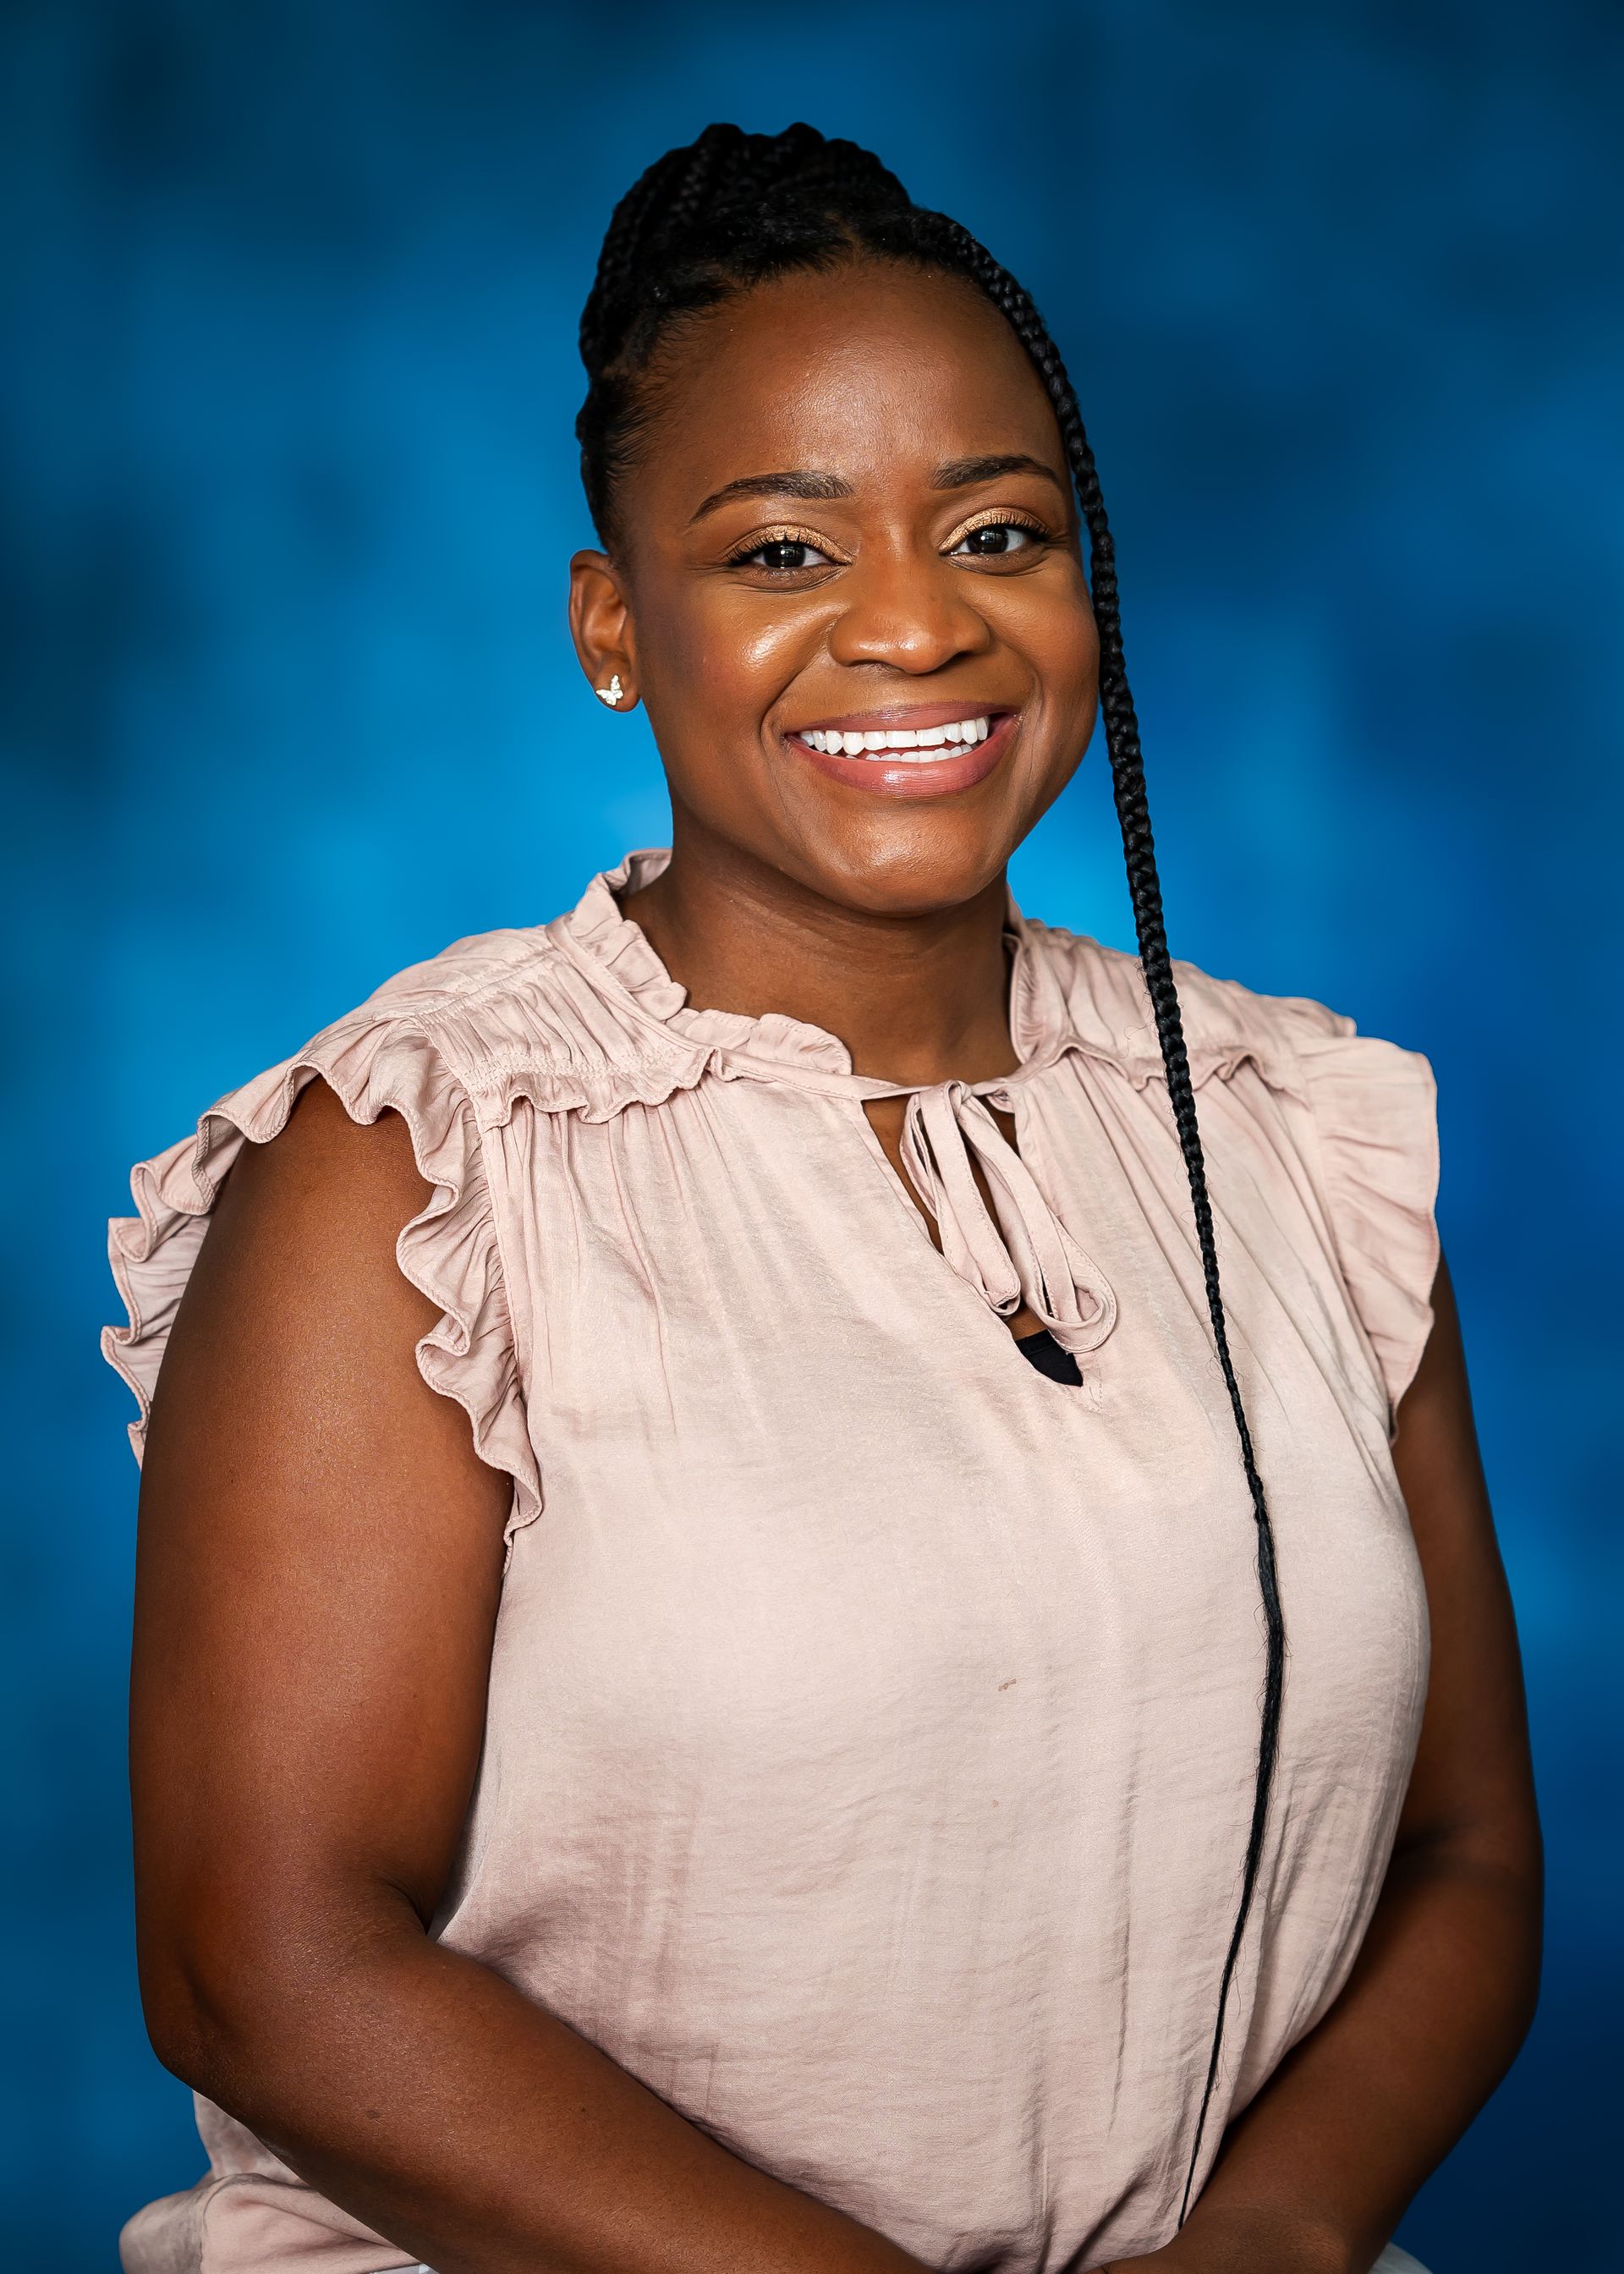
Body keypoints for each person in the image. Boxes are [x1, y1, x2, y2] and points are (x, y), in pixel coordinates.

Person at [102, 124, 1541, 2274]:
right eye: (784, 550)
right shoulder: (414, 1171)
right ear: (614, 625)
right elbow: (266, 1964)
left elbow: (1469, 1855)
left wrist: (1278, 2235)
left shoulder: (1286, 1125)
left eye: (998, 532)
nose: (917, 624)